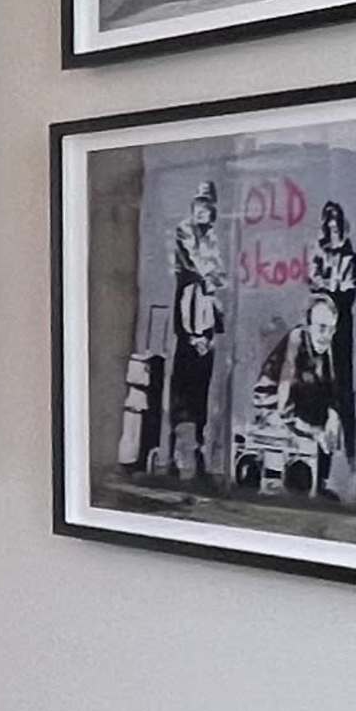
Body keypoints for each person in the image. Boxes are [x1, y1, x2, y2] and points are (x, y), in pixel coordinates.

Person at [160, 182, 227, 484]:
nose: (203, 210)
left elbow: (219, 276)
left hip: (207, 319)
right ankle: (175, 452)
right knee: (182, 388)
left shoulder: (212, 238)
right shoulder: (184, 232)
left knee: (201, 388)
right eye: (199, 205)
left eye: (207, 206)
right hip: (189, 316)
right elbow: (197, 267)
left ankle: (197, 451)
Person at [298, 199, 356, 495]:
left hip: (341, 332)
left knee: (341, 395)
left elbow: (347, 293)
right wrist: (326, 289)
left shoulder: (350, 256)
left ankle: (344, 470)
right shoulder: (319, 250)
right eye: (328, 221)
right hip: (320, 329)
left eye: (336, 221)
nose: (332, 226)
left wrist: (328, 288)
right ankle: (317, 473)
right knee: (317, 394)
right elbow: (312, 281)